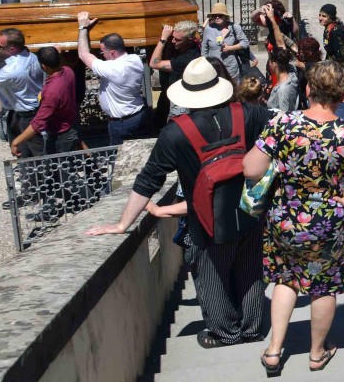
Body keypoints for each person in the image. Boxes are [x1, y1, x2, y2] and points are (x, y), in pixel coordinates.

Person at [87, 57, 269, 349]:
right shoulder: (248, 114)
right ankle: (252, 327)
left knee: (210, 273)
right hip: (250, 207)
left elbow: (149, 180)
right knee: (249, 268)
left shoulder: (175, 133)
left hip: (206, 217)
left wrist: (123, 223)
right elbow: (280, 136)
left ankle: (225, 332)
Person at [242, 61, 344, 375]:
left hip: (284, 217)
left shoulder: (282, 124)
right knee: (322, 287)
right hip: (328, 223)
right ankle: (316, 352)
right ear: (340, 94)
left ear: (308, 90)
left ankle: (273, 351)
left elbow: (251, 169)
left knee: (285, 280)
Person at [77, 13, 147, 145]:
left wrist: (83, 27)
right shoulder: (135, 59)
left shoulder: (111, 69)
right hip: (138, 115)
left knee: (118, 158)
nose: (102, 55)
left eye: (102, 52)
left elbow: (83, 54)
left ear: (113, 52)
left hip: (121, 123)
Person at [0, 28, 43, 150]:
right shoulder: (30, 55)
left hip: (27, 115)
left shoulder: (12, 71)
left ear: (12, 49)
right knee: (24, 150)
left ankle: (37, 169)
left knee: (35, 152)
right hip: (28, 110)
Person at [10, 46, 78, 158]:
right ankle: (94, 170)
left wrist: (16, 141)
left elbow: (38, 123)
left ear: (43, 66)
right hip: (70, 124)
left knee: (62, 172)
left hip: (60, 136)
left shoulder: (52, 92)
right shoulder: (68, 72)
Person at [150, 20, 201, 122]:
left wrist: (163, 39)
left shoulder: (188, 57)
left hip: (180, 101)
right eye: (172, 37)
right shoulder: (184, 46)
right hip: (167, 95)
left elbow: (154, 64)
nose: (173, 41)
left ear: (189, 40)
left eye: (177, 40)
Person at [201, 3, 251, 83]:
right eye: (214, 15)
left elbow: (245, 42)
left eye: (220, 15)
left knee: (233, 90)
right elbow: (204, 49)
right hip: (214, 68)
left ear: (225, 16)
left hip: (231, 67)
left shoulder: (234, 27)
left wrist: (230, 48)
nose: (217, 17)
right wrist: (205, 65)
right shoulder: (208, 29)